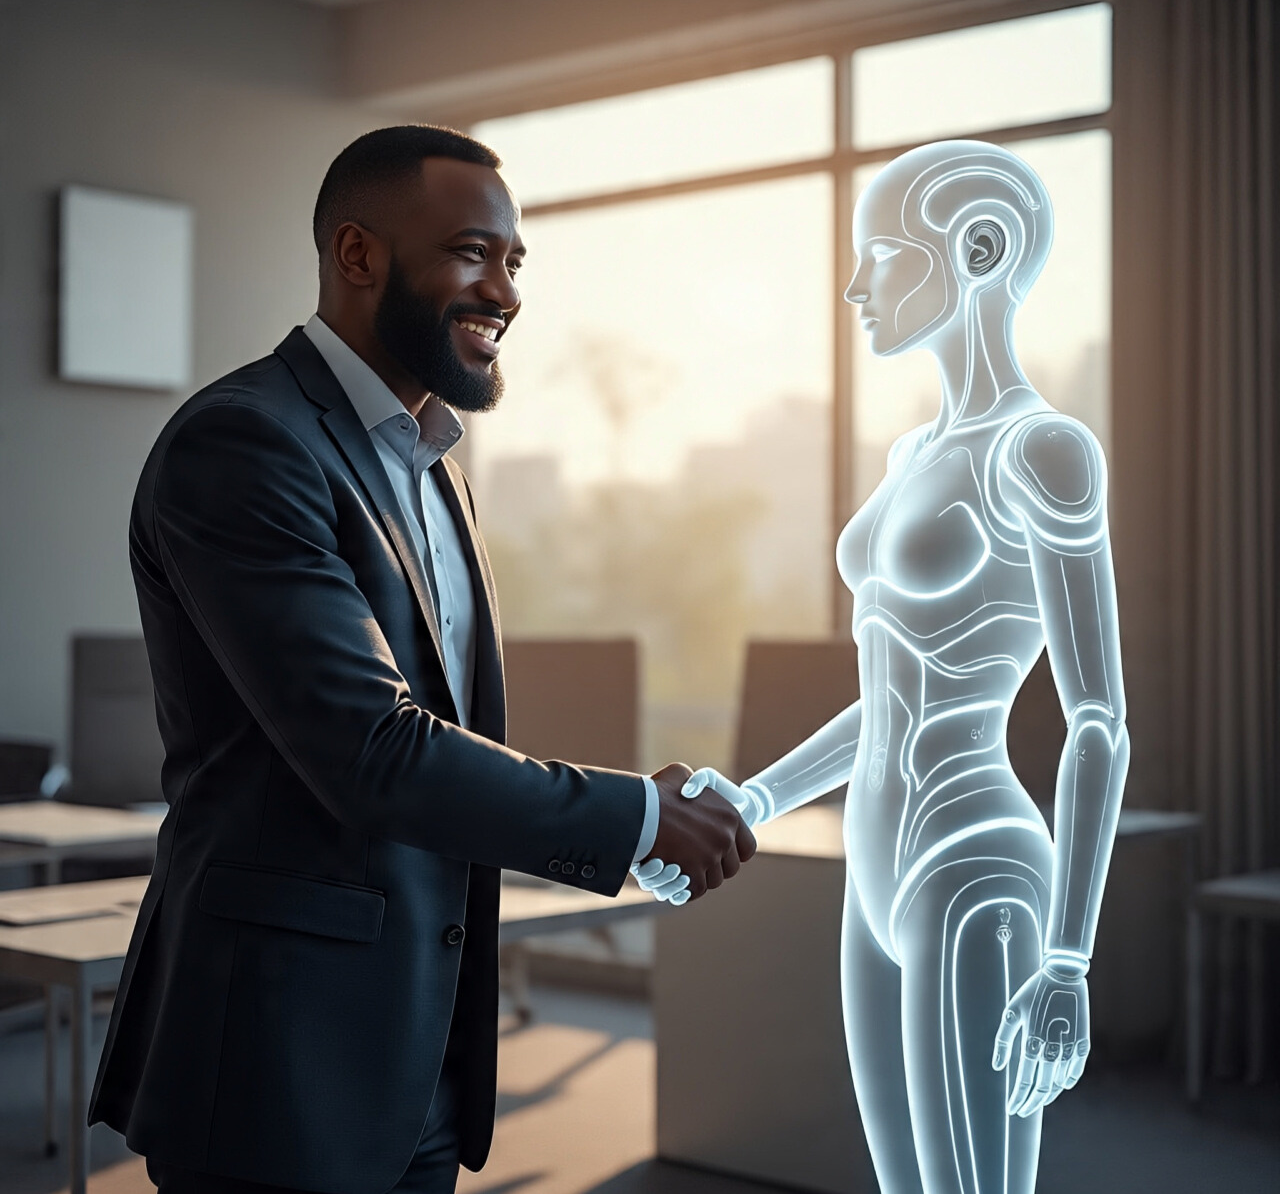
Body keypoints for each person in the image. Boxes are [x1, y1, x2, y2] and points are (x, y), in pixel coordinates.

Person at [87, 124, 755, 1194]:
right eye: (470, 253)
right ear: (357, 256)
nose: (505, 291)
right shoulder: (244, 444)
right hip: (277, 1055)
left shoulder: (434, 464)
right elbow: (370, 750)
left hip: (420, 1050)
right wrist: (632, 815)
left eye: (513, 260)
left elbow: (441, 732)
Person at [668, 140, 1129, 1194]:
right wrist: (756, 794)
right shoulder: (909, 458)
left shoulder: (1044, 451)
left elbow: (1097, 717)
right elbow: (884, 697)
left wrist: (1066, 959)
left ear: (976, 250)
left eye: (880, 252)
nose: (853, 284)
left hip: (971, 862)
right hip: (871, 869)